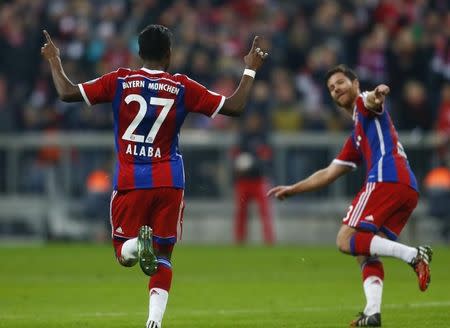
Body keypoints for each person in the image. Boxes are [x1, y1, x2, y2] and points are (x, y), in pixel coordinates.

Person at [41, 25, 268, 328]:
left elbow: (67, 92)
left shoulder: (120, 80)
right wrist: (250, 70)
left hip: (131, 180)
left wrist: (54, 59)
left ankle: (136, 244)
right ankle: (154, 323)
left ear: (139, 53)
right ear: (169, 54)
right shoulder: (182, 86)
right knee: (164, 255)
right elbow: (235, 106)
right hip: (169, 181)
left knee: (123, 254)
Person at [268, 64, 432, 327]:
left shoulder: (364, 106)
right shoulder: (357, 133)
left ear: (355, 83)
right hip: (406, 187)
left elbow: (372, 100)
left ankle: (413, 255)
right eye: (332, 88)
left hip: (385, 178)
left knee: (346, 239)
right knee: (363, 250)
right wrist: (293, 189)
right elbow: (328, 173)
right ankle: (372, 313)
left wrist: (377, 94)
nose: (336, 89)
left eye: (341, 83)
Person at [232, 110, 274, 244]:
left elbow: (267, 157)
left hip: (259, 180)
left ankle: (269, 239)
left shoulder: (263, 137)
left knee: (265, 213)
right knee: (241, 213)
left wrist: (252, 163)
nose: (253, 122)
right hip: (243, 181)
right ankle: (239, 240)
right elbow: (235, 156)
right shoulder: (242, 137)